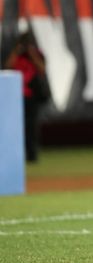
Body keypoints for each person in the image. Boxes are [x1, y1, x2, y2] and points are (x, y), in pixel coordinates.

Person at [3, 29, 50, 163]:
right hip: (15, 96)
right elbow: (7, 67)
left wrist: (32, 53)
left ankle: (32, 155)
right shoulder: (16, 55)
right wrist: (17, 51)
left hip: (31, 97)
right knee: (13, 127)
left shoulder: (37, 54)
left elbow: (42, 69)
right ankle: (13, 155)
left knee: (31, 126)